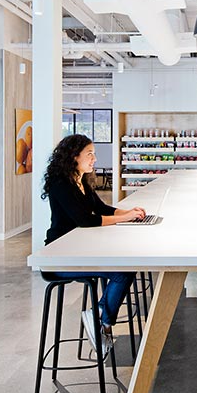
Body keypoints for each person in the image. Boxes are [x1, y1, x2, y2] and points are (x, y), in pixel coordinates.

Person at [42, 134, 145, 358]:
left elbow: (101, 208)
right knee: (121, 273)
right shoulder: (62, 184)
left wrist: (129, 213)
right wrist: (124, 219)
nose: (94, 159)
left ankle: (100, 316)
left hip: (77, 250)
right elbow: (85, 220)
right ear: (73, 156)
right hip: (59, 258)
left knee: (127, 268)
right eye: (90, 154)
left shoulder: (81, 181)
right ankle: (102, 319)